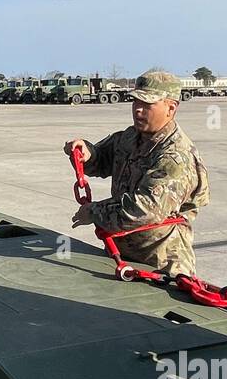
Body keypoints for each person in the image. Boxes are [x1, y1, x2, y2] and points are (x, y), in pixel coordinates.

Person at [65, 67, 209, 277]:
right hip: (121, 257)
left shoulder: (176, 156)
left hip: (161, 264)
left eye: (147, 104)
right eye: (135, 102)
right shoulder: (130, 138)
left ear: (171, 108)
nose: (138, 110)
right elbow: (102, 158)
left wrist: (94, 212)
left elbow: (145, 210)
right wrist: (86, 152)